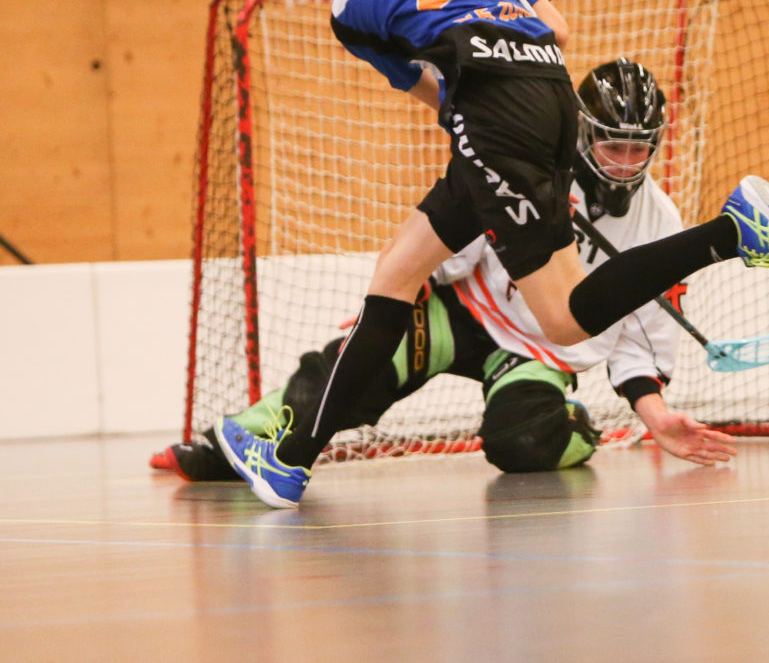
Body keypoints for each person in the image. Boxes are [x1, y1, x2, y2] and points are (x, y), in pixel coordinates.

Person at [216, 0, 769, 509]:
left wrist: (477, 118)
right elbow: (557, 29)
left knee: (566, 319)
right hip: (553, 90)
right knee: (397, 271)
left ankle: (731, 232)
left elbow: (431, 93)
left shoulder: (349, 8)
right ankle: (291, 459)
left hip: (488, 111)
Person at [161, 60, 735, 482]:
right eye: (612, 145)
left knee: (522, 445)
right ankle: (229, 442)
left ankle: (574, 427)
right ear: (582, 131)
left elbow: (640, 334)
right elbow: (460, 232)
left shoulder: (661, 223)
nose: (624, 163)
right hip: (460, 308)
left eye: (640, 149)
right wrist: (405, 297)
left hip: (537, 354)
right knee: (353, 367)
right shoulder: (532, 169)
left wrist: (655, 418)